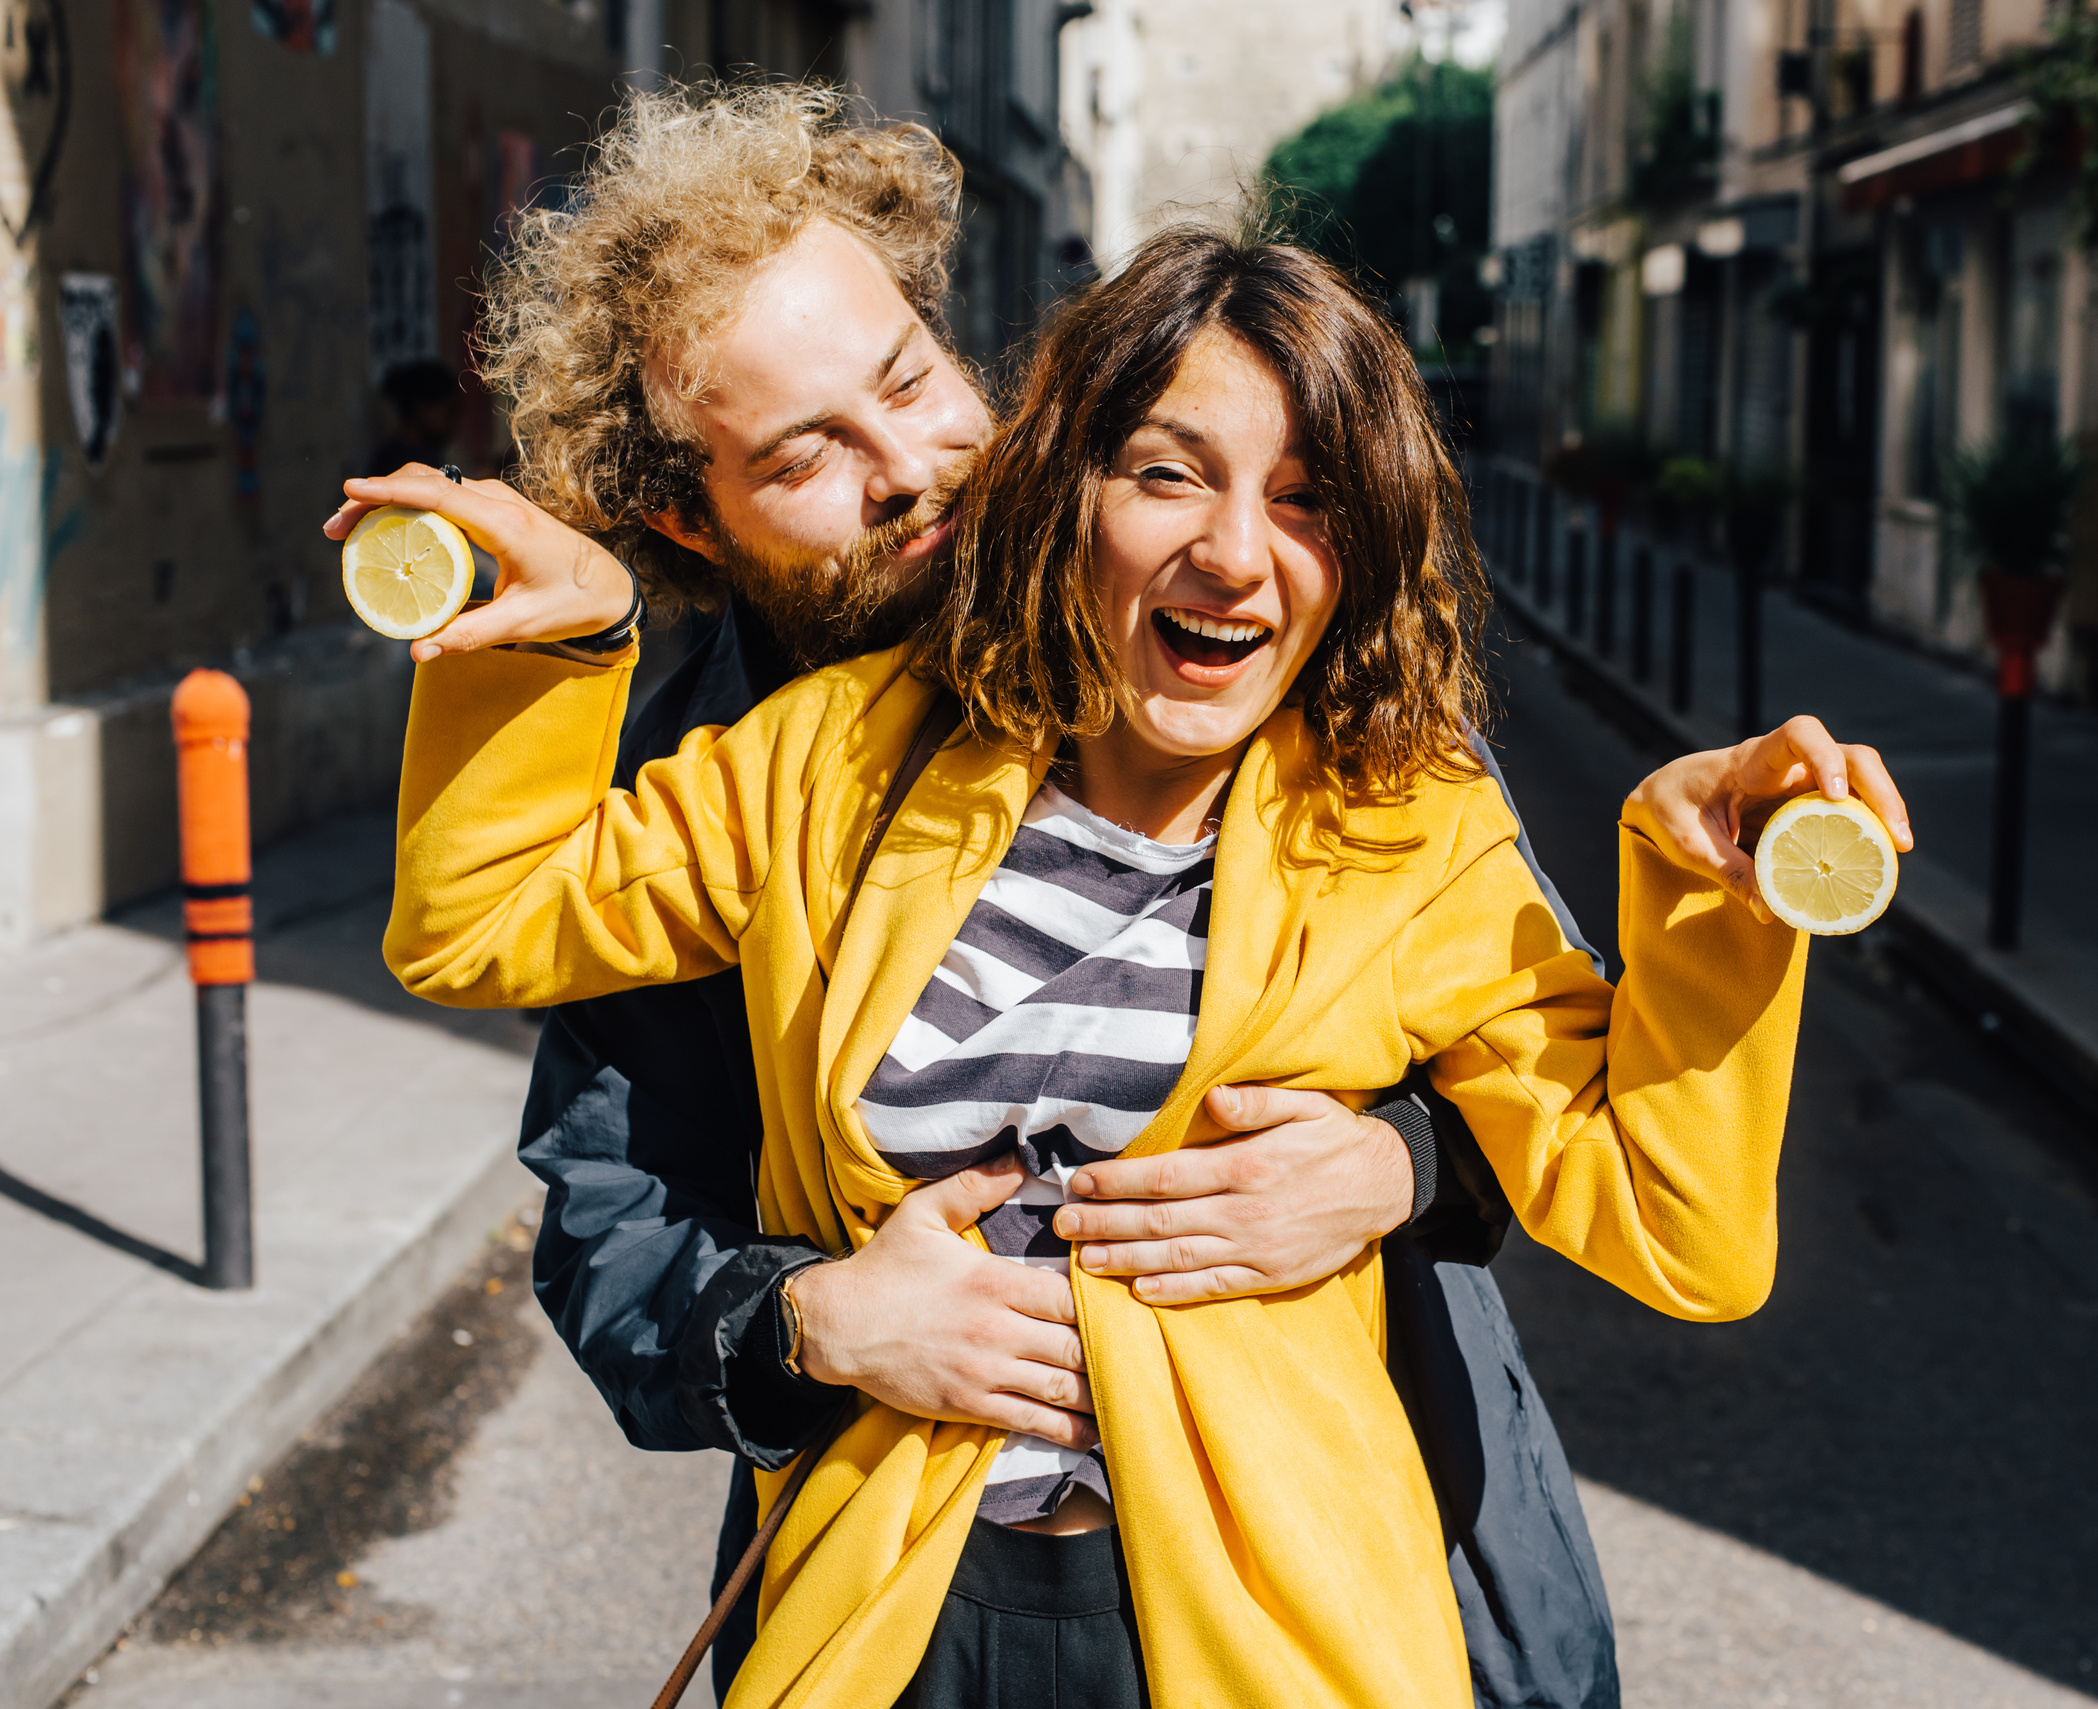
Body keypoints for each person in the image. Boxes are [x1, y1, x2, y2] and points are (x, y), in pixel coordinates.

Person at [375, 225, 1911, 1707]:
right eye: (1170, 473)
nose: (1236, 553)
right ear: (1080, 483)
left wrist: (1698, 912)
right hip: (898, 1615)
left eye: (1307, 500)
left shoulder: (1402, 820)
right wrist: (558, 649)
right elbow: (484, 929)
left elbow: (1674, 1224)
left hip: (1271, 1631)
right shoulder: (831, 761)